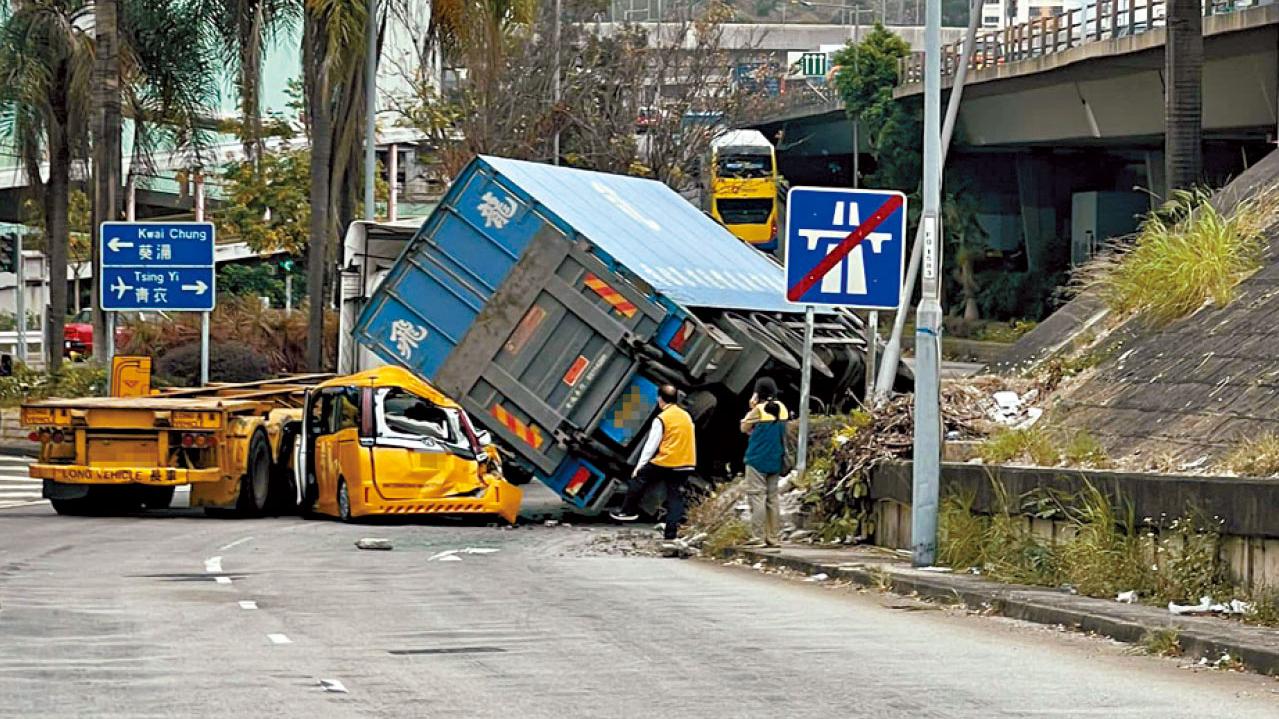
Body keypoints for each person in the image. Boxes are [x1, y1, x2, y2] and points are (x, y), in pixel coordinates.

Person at [610, 384, 697, 542]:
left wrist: (639, 466)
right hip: (687, 462)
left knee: (640, 477)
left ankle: (628, 511)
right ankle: (670, 535)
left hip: (668, 461)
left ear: (660, 400)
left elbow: (651, 446)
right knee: (675, 497)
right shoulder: (686, 415)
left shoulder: (662, 418)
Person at [740, 376, 790, 547]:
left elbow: (744, 427)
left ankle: (758, 537)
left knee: (757, 497)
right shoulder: (782, 408)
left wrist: (752, 407)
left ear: (757, 393)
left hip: (757, 459)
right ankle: (773, 537)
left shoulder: (759, 410)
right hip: (776, 459)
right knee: (772, 499)